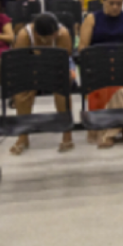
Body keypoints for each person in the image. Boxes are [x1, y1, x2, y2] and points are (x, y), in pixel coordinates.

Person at [78, 0, 123, 148]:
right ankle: (109, 129)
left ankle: (116, 127)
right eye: (111, 3)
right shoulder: (91, 19)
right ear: (104, 1)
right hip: (99, 67)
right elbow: (82, 47)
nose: (115, 7)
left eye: (119, 4)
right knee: (106, 82)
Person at [8, 13, 76, 156]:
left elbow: (63, 60)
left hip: (55, 65)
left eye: (54, 35)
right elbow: (20, 64)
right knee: (23, 92)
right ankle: (23, 135)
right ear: (37, 35)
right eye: (49, 37)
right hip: (30, 66)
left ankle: (67, 133)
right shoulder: (24, 36)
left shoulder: (63, 34)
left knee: (62, 86)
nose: (53, 38)